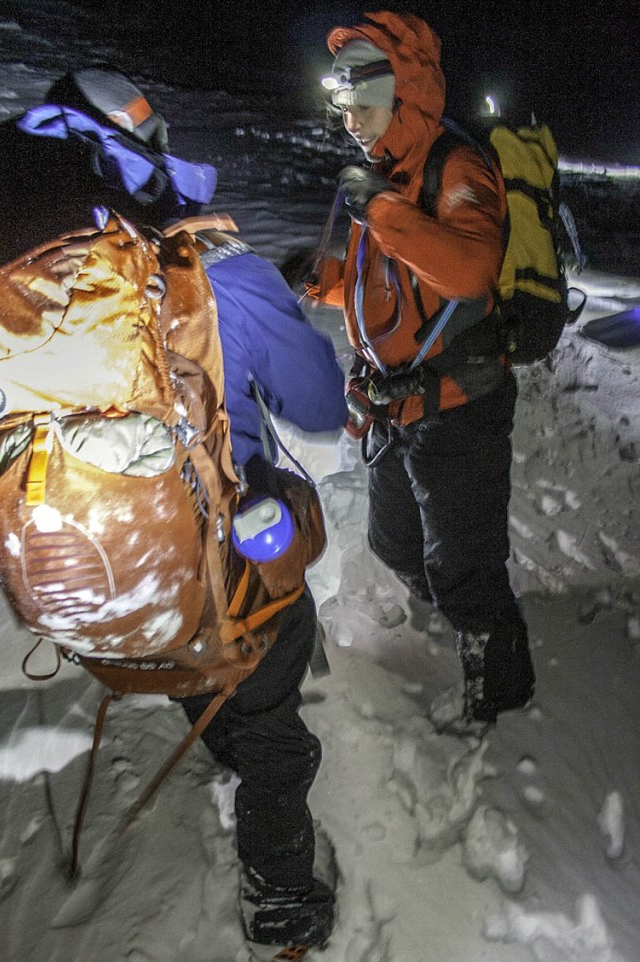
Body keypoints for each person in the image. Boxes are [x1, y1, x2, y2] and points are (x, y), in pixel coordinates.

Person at [0, 66, 348, 951]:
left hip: (87, 615)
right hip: (212, 600)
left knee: (186, 595)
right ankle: (281, 895)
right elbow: (321, 408)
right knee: (271, 631)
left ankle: (204, 713)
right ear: (144, 151)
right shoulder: (213, 266)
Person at [310, 12, 535, 731]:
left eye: (364, 108)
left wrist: (380, 210)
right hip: (394, 405)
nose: (351, 125)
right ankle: (457, 617)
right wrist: (316, 281)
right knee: (396, 543)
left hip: (459, 403)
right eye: (343, 111)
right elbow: (379, 285)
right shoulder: (382, 175)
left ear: (404, 94)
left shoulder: (453, 168)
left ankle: (495, 689)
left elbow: (468, 270)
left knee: (464, 565)